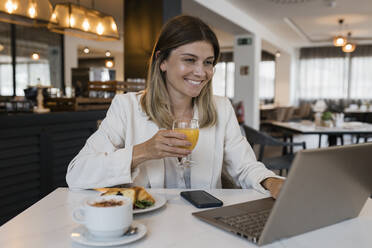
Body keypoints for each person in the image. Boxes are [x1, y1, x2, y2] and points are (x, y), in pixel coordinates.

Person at [66, 15, 284, 198]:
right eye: (189, 60)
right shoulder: (126, 107)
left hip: (206, 226)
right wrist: (143, 152)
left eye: (208, 62)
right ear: (162, 61)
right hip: (147, 227)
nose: (201, 72)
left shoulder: (221, 108)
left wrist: (272, 182)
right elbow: (77, 174)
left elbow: (245, 167)